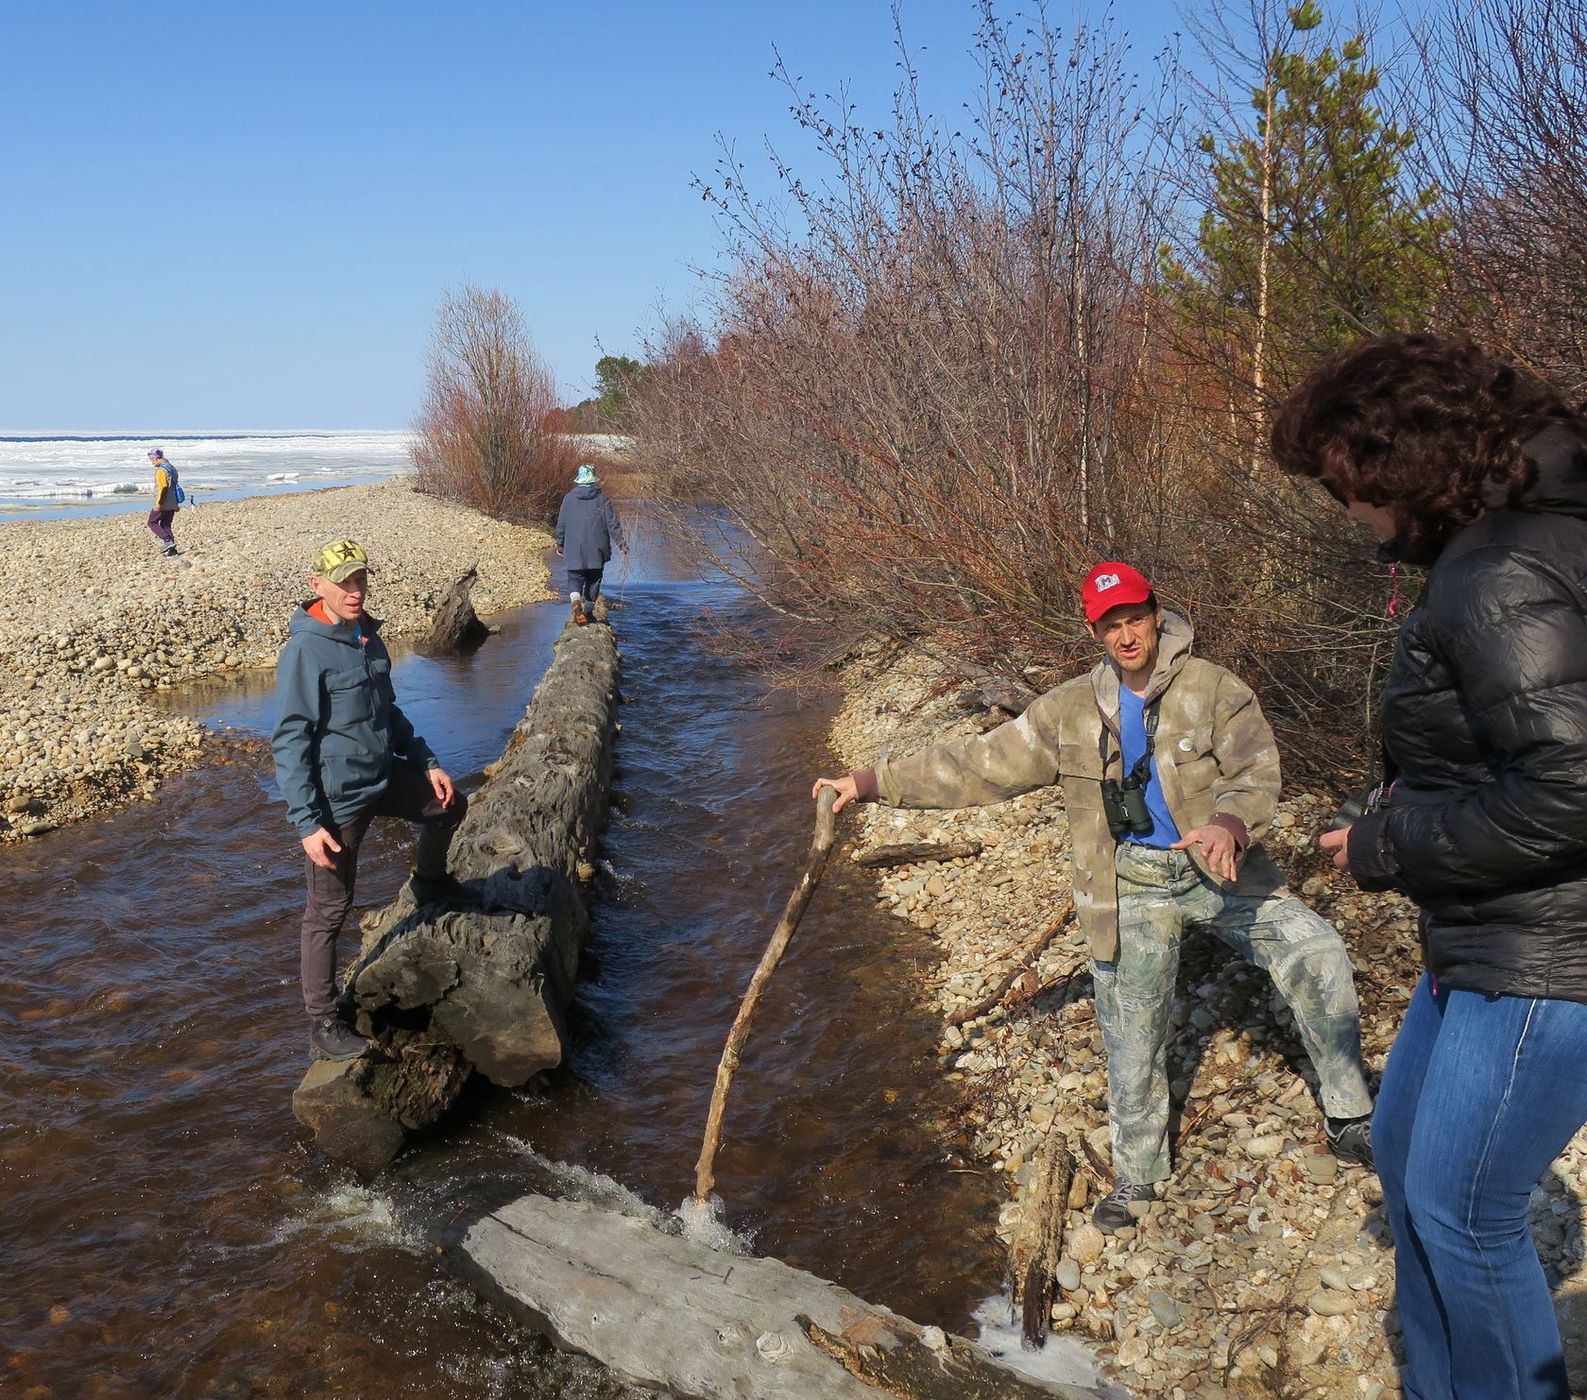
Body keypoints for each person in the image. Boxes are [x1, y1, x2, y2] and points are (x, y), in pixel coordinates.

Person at [813, 562, 1375, 1233]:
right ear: (1093, 629)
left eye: (1134, 617)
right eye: (1110, 623)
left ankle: (1349, 1117)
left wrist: (1229, 823)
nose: (1126, 633)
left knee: (1316, 952)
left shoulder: (1213, 689)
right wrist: (868, 781)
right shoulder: (1068, 709)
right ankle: (1138, 1174)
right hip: (1127, 884)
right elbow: (977, 764)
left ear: (1155, 614)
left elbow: (1255, 770)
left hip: (1220, 871)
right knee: (1131, 1030)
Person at [1271, 332, 1587, 1400]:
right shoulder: (1499, 549)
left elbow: (1572, 786)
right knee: (1403, 1155)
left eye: (1344, 487)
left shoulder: (1500, 569)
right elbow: (1503, 743)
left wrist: (1386, 843)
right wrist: (1398, 805)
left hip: (1549, 949)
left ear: (1397, 467)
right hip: (1490, 929)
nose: (1346, 513)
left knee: (1465, 1210)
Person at [271, 538, 467, 1061]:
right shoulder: (305, 650)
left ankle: (430, 883)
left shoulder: (367, 636)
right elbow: (289, 741)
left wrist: (426, 761)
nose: (355, 591)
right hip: (338, 801)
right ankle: (321, 1021)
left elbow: (390, 712)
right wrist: (306, 823)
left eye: (361, 580)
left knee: (449, 804)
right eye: (344, 582)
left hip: (383, 773)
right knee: (329, 911)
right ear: (318, 587)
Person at [555, 463, 625, 624]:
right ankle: (587, 612)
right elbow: (612, 523)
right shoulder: (602, 498)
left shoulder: (569, 498)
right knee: (594, 580)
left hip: (574, 548)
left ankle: (575, 601)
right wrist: (621, 543)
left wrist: (560, 544)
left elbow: (562, 524)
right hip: (597, 549)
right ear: (593, 480)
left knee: (574, 577)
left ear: (579, 480)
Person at [146, 447, 180, 557]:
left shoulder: (161, 470)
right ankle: (172, 550)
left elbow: (163, 487)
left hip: (163, 502)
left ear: (156, 458)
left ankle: (167, 541)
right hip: (173, 501)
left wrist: (159, 503)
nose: (151, 461)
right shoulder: (171, 468)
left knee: (152, 522)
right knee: (166, 525)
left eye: (151, 459)